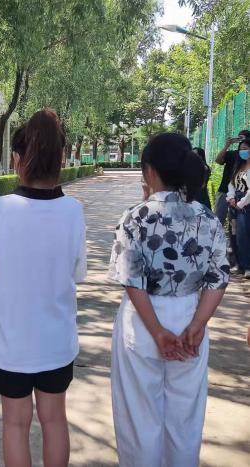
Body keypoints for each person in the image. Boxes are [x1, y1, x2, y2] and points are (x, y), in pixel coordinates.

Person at [0, 109, 86, 467]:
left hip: (11, 343)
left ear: (18, 160)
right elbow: (78, 273)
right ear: (61, 160)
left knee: (15, 424)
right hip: (56, 341)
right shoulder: (73, 211)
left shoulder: (2, 209)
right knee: (54, 420)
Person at [109, 132, 229, 467]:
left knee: (139, 417)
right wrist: (198, 324)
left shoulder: (135, 217)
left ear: (149, 170)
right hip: (190, 315)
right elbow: (218, 277)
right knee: (185, 418)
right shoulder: (207, 219)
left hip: (142, 322)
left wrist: (157, 331)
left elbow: (132, 280)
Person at [214, 129, 250, 224]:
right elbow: (218, 160)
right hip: (224, 190)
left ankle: (233, 232)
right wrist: (227, 145)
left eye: (243, 138)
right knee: (218, 218)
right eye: (239, 138)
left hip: (242, 193)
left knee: (236, 221)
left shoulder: (247, 157)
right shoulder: (232, 154)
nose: (241, 140)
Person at [226, 140, 250, 278]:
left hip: (245, 203)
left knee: (243, 235)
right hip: (234, 202)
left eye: (245, 148)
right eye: (241, 148)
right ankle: (239, 264)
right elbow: (231, 184)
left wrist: (241, 203)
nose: (242, 151)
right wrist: (231, 198)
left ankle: (247, 266)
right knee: (234, 234)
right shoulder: (239, 166)